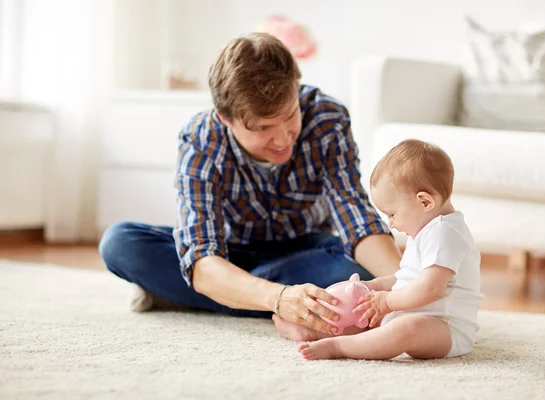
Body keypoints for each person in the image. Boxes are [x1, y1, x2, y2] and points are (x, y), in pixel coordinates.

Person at [98, 32, 401, 338]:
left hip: (307, 252)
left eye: (291, 115)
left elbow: (355, 218)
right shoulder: (201, 139)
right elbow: (203, 257)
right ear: (224, 118)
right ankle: (258, 296)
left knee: (357, 271)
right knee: (120, 243)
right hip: (228, 254)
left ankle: (202, 295)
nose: (284, 139)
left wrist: (408, 286)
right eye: (263, 128)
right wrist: (280, 298)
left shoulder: (327, 118)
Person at [297, 139, 483, 360]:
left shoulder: (445, 233)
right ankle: (311, 328)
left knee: (405, 330)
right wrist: (375, 286)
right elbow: (405, 278)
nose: (390, 223)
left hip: (445, 328)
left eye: (392, 214)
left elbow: (429, 289)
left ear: (424, 202)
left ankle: (340, 347)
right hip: (409, 313)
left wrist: (387, 302)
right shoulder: (425, 229)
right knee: (362, 315)